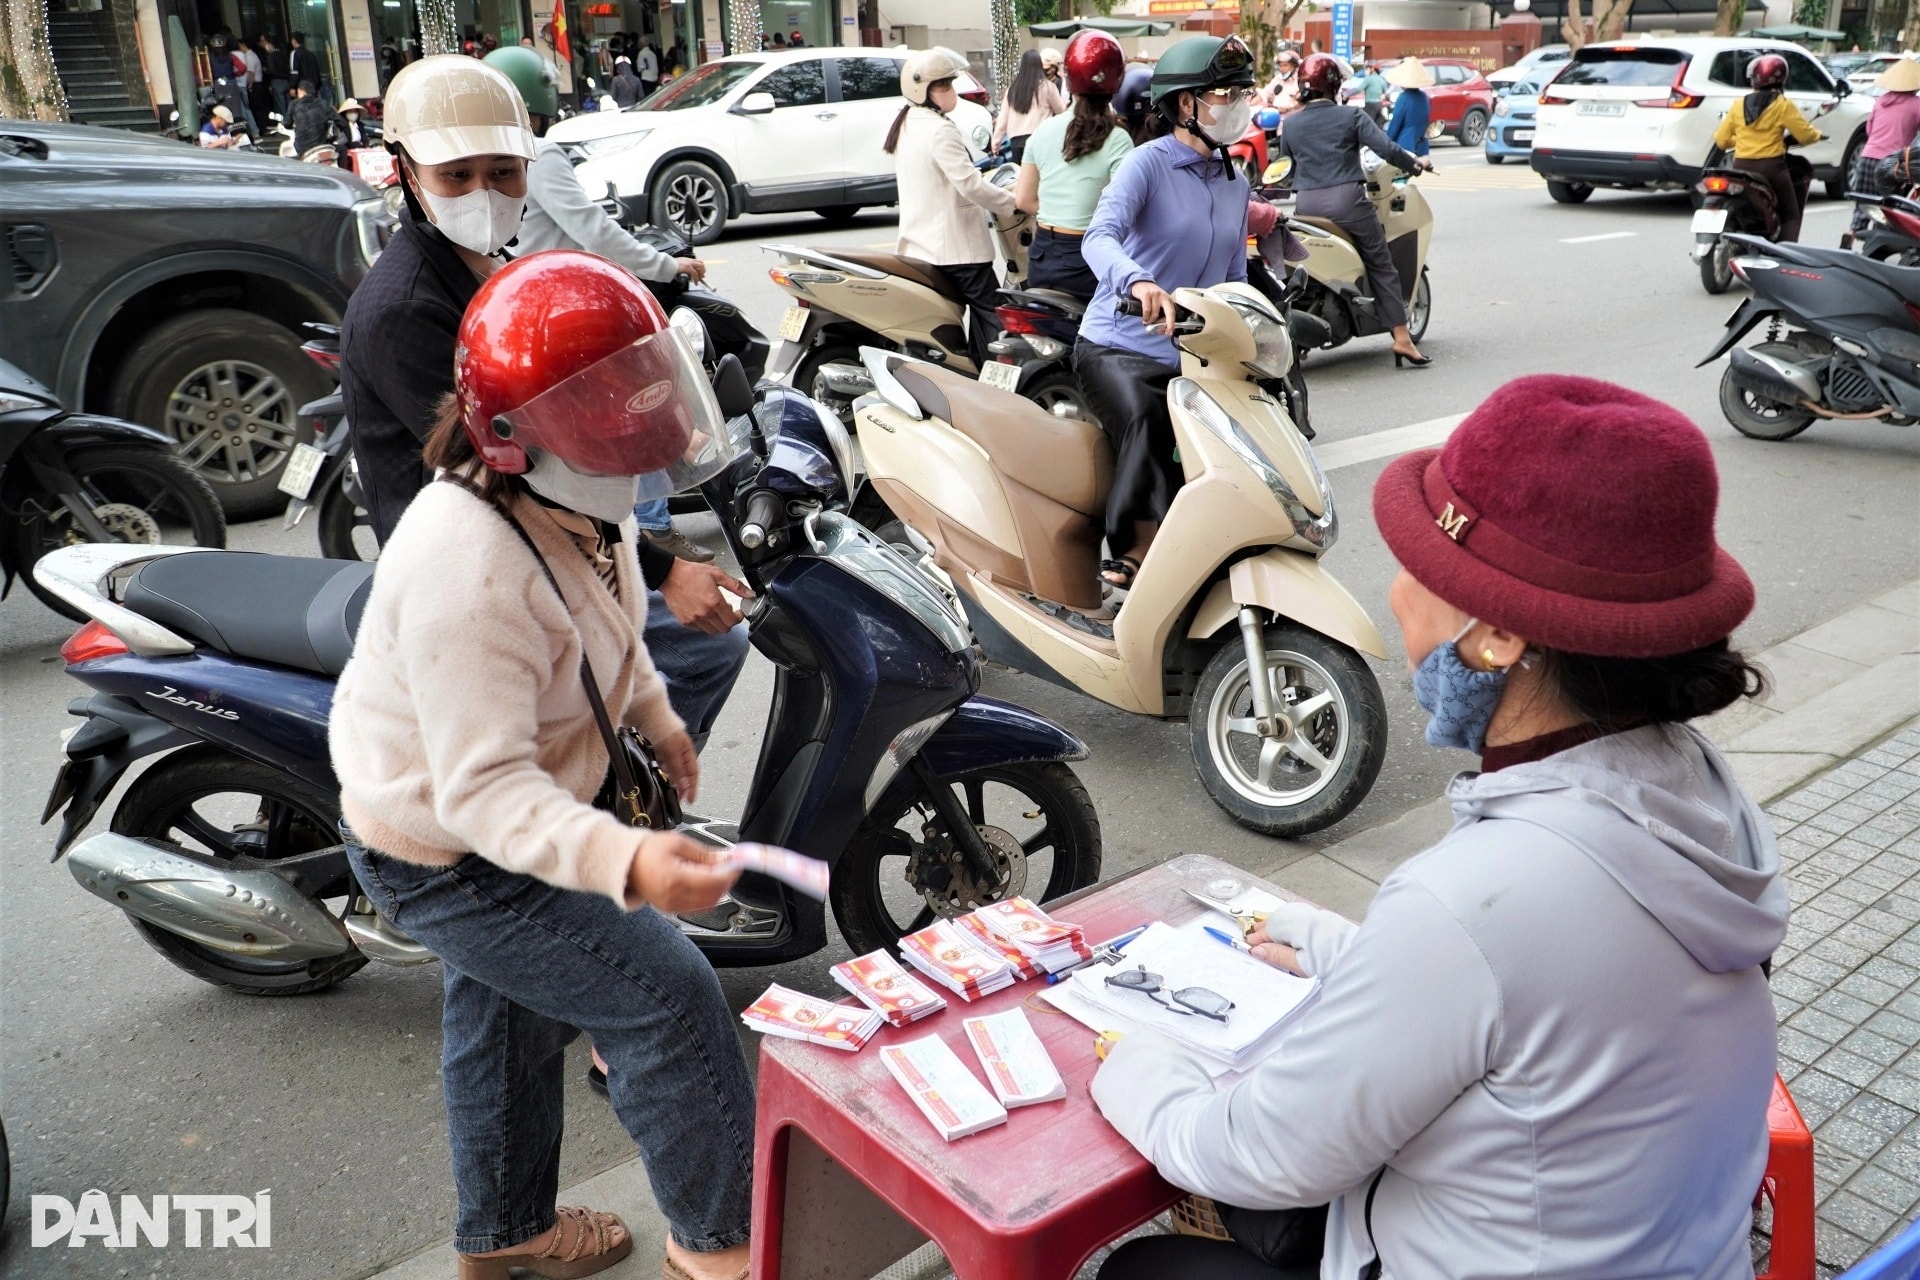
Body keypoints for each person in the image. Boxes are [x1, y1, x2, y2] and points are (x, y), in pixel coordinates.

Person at [1092, 373, 1783, 1280]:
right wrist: (1350, 951)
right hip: (1673, 1252)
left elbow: (1261, 1155)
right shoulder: (1697, 797)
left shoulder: (1478, 902)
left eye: (1424, 574)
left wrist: (1137, 1064)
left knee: (1149, 1273)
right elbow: (1540, 1003)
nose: (1399, 597)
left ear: (1498, 637)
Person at [332, 250, 754, 1280]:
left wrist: (655, 714)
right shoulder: (465, 569)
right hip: (445, 846)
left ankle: (504, 1233)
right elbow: (483, 796)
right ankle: (725, 1250)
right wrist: (631, 865)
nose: (634, 446)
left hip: (491, 815)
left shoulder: (574, 487)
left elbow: (611, 622)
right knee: (667, 996)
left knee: (507, 1022)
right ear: (519, 433)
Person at [342, 54, 749, 758]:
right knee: (705, 649)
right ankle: (609, 785)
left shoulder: (491, 268)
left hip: (537, 545)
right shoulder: (406, 310)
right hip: (478, 577)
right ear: (408, 172)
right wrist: (663, 571)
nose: (484, 192)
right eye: (457, 176)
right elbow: (504, 477)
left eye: (502, 171)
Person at [483, 45, 726, 573]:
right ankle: (656, 523)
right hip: (567, 319)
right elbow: (595, 231)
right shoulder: (539, 156)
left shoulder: (495, 164)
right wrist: (667, 266)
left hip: (523, 320)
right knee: (642, 395)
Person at [1077, 34, 1256, 591]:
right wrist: (1138, 280)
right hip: (1118, 344)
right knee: (1150, 416)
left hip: (1192, 355)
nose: (1240, 106)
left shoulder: (1235, 181)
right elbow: (1097, 236)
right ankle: (1131, 546)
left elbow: (1234, 279)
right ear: (1187, 104)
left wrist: (1253, 328)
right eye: (1227, 94)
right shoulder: (1145, 165)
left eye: (1242, 93)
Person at [1272, 52, 1432, 368]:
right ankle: (1401, 339)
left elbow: (1286, 168)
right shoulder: (1351, 117)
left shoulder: (1290, 125)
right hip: (1347, 202)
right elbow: (1387, 148)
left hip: (1307, 208)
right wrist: (1414, 164)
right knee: (1381, 262)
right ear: (1334, 87)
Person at [887, 47, 1030, 368]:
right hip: (955, 251)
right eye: (943, 85)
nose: (951, 92)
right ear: (922, 90)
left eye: (950, 84)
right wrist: (1014, 203)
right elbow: (970, 185)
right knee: (994, 315)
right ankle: (999, 379)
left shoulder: (908, 122)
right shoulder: (939, 129)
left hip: (921, 246)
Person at [1015, 29, 1132, 301]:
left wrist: (1061, 212)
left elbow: (1023, 199)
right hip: (1089, 260)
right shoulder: (1119, 140)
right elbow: (1126, 211)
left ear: (1068, 77)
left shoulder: (1043, 131)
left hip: (1042, 255)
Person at [1712, 53, 1821, 244]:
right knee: (1791, 214)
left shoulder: (1738, 104)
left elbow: (1721, 140)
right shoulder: (1782, 105)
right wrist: (1818, 135)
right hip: (1771, 169)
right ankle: (1785, 254)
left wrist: (1742, 141)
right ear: (1781, 78)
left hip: (1740, 167)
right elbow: (1805, 135)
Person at [1844, 57, 1920, 248]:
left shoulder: (1881, 101)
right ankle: (1874, 247)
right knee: (1886, 209)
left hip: (1867, 157)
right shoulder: (1916, 105)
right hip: (1890, 165)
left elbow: (1870, 130)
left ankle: (1852, 232)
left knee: (1863, 203)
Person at [993, 47, 1066, 162]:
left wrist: (996, 141)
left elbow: (1003, 117)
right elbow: (1061, 112)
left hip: (1016, 142)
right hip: (1039, 140)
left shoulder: (1012, 89)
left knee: (1021, 177)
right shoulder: (1047, 87)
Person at [1382, 57, 1432, 159]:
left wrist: (1386, 143)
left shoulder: (1404, 98)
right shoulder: (1424, 97)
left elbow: (1396, 123)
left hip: (1405, 145)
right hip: (1421, 146)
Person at [286, 80, 338, 157]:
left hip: (302, 148)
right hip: (321, 146)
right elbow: (339, 120)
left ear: (301, 91)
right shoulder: (322, 103)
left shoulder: (294, 104)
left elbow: (286, 124)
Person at [260, 33, 291, 116]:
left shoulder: (271, 56)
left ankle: (284, 124)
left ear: (270, 44)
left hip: (277, 82)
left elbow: (271, 70)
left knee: (280, 107)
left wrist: (265, 70)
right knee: (289, 106)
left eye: (266, 43)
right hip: (287, 82)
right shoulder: (283, 54)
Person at [289, 32, 324, 105]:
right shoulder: (311, 54)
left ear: (294, 41)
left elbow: (294, 72)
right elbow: (317, 71)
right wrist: (318, 86)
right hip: (314, 86)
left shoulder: (295, 53)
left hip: (302, 87)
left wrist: (292, 87)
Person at [1358, 58, 1388, 124]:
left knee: (1368, 124)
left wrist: (1346, 94)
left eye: (1367, 68)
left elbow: (1359, 89)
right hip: (1379, 105)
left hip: (1370, 105)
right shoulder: (1381, 79)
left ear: (1373, 69)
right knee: (1379, 125)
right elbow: (1386, 92)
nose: (1366, 70)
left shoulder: (1368, 79)